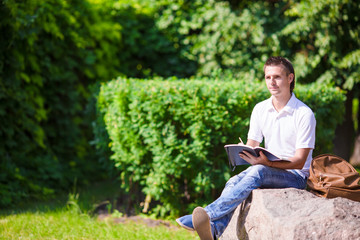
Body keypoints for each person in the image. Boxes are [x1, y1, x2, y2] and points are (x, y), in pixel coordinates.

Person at [175, 56, 316, 240]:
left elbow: (299, 162)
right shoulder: (260, 109)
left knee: (258, 171)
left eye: (277, 77)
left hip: (296, 177)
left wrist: (267, 164)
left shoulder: (304, 114)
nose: (271, 82)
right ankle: (214, 229)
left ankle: (209, 214)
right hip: (266, 167)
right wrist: (244, 150)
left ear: (290, 78)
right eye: (267, 77)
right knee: (233, 182)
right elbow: (252, 145)